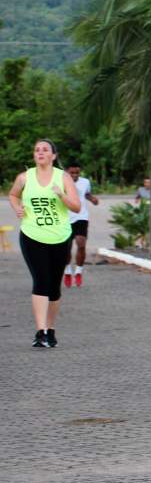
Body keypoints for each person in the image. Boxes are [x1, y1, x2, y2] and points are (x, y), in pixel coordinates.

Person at [8, 139, 81, 348]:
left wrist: (61, 195)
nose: (40, 153)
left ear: (53, 156)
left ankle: (51, 329)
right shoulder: (24, 177)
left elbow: (76, 207)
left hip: (60, 237)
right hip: (32, 235)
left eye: (45, 150)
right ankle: (41, 332)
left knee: (53, 287)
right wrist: (17, 207)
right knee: (40, 281)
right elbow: (13, 195)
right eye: (37, 150)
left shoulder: (64, 177)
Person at [64, 163, 99, 288]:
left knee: (81, 243)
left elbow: (86, 194)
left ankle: (78, 272)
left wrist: (93, 199)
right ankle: (67, 271)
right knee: (66, 247)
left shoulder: (85, 182)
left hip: (81, 217)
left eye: (77, 173)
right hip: (65, 218)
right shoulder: (61, 182)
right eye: (72, 173)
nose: (74, 175)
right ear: (67, 172)